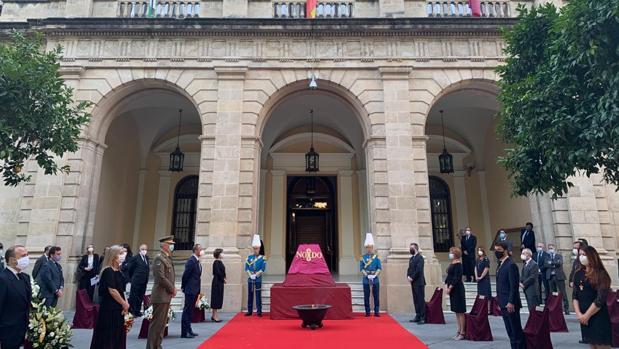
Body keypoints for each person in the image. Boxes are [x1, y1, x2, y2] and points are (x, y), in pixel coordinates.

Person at [90, 245, 129, 349]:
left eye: (123, 253)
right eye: (120, 253)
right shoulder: (108, 271)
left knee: (117, 334)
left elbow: (121, 290)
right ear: (113, 255)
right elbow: (112, 290)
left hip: (118, 308)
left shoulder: (119, 272)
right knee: (109, 335)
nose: (123, 256)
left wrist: (126, 302)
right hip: (109, 308)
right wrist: (124, 303)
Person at [573, 246, 612, 349]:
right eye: (580, 255)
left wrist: (586, 315)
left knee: (601, 345)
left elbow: (600, 299)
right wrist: (579, 315)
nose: (581, 257)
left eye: (584, 255)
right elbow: (575, 296)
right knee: (592, 345)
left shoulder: (601, 274)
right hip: (584, 316)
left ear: (592, 256)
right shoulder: (578, 274)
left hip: (597, 316)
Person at [146, 236, 176, 349]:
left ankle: (157, 345)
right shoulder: (159, 258)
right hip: (160, 295)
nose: (172, 246)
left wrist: (172, 288)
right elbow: (160, 277)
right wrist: (172, 288)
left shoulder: (167, 258)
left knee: (162, 324)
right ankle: (151, 346)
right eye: (170, 244)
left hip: (166, 295)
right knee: (156, 324)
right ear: (164, 245)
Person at [0, 245, 32, 349]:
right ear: (12, 260)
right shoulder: (3, 279)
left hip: (23, 328)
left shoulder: (25, 277)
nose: (27, 258)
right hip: (7, 330)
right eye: (23, 256)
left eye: (27, 255)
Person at [495, 242, 525, 349]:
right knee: (510, 331)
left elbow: (513, 286)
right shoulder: (500, 264)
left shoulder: (511, 264)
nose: (496, 252)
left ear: (505, 250)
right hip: (503, 302)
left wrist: (511, 301)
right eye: (495, 250)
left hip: (510, 303)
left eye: (499, 250)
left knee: (515, 330)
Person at [181, 244, 202, 338]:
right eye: (200, 249)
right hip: (190, 290)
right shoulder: (191, 261)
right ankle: (184, 332)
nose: (201, 251)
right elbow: (185, 275)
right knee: (187, 311)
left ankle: (189, 330)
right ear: (196, 251)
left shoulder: (197, 261)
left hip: (194, 290)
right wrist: (184, 287)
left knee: (190, 311)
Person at [445, 247, 465, 340]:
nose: (450, 254)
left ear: (456, 254)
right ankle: (458, 329)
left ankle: (462, 332)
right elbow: (449, 276)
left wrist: (450, 287)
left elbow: (456, 277)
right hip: (452, 289)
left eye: (451, 252)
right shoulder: (452, 263)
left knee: (460, 311)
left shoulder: (458, 264)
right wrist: (446, 286)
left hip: (457, 289)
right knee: (456, 311)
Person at [360, 233, 381, 317]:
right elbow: (361, 268)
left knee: (376, 296)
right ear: (366, 248)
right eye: (367, 247)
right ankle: (367, 312)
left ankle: (376, 311)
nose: (369, 249)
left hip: (375, 279)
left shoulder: (377, 257)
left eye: (370, 247)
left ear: (372, 247)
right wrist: (367, 275)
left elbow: (379, 268)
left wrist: (375, 275)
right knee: (366, 296)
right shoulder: (363, 257)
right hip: (366, 279)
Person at [245, 234, 266, 317]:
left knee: (258, 295)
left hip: (258, 279)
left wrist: (256, 275)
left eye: (256, 248)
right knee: (250, 295)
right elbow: (246, 268)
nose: (255, 250)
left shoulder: (263, 258)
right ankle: (249, 311)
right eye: (254, 248)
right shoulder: (249, 257)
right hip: (250, 279)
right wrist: (250, 275)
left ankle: (259, 311)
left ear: (259, 248)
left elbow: (263, 268)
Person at [545, 243, 570, 314]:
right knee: (552, 293)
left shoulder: (559, 256)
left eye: (551, 248)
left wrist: (551, 263)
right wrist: (554, 263)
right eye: (549, 248)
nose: (550, 249)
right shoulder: (547, 257)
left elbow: (559, 263)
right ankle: (554, 308)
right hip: (550, 277)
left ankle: (566, 309)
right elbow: (546, 264)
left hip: (559, 276)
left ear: (555, 248)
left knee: (563, 293)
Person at [128, 244, 150, 317]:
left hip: (144, 281)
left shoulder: (146, 258)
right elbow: (130, 269)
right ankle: (132, 311)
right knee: (134, 296)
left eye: (145, 249)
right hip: (136, 280)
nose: (144, 251)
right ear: (140, 250)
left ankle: (137, 311)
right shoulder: (135, 258)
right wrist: (132, 277)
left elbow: (147, 268)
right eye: (143, 249)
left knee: (140, 296)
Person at [407, 242, 425, 324]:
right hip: (413, 282)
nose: (410, 249)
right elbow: (409, 269)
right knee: (416, 300)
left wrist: (412, 277)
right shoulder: (411, 258)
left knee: (420, 299)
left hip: (419, 282)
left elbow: (419, 270)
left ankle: (423, 317)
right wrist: (408, 276)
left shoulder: (420, 258)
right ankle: (417, 315)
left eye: (411, 248)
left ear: (415, 249)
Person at [211, 248, 226, 323]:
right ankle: (215, 315)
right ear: (219, 254)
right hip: (217, 282)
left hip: (220, 282)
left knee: (218, 298)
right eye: (222, 253)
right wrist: (223, 279)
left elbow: (223, 272)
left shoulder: (220, 262)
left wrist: (224, 278)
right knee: (216, 298)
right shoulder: (216, 262)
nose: (223, 254)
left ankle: (214, 315)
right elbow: (217, 272)